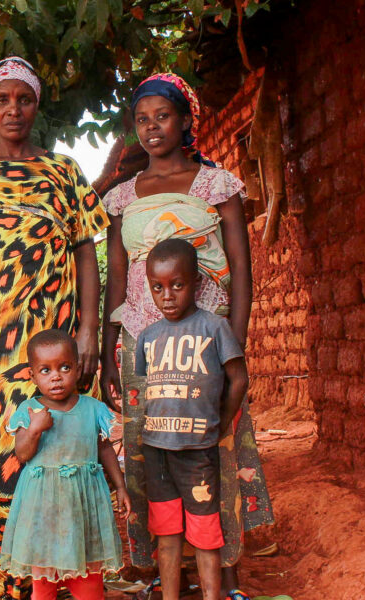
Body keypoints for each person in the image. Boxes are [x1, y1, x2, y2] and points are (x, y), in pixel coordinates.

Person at [0, 56, 108, 600]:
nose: (13, 109)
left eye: (24, 99)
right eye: (2, 100)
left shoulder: (65, 172)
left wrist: (89, 333)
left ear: (36, 105)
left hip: (53, 351)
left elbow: (85, 255)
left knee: (60, 459)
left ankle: (62, 581)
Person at [99, 73, 273, 600]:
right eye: (142, 119)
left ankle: (230, 575)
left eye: (163, 116)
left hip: (205, 344)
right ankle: (160, 573)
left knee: (212, 451)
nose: (152, 128)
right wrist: (110, 352)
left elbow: (241, 270)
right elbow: (116, 277)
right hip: (139, 345)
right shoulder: (121, 198)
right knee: (151, 453)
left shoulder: (217, 185)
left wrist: (232, 346)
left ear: (185, 120)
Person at [134, 240, 248, 600]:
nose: (167, 296)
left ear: (196, 283)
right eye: (158, 287)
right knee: (166, 535)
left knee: (204, 533)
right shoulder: (147, 336)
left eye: (177, 285)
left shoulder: (214, 327)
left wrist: (219, 424)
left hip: (197, 451)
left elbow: (239, 379)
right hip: (157, 451)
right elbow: (145, 390)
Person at [0, 329, 130, 600]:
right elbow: (22, 454)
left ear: (78, 368)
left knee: (89, 582)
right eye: (45, 370)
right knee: (44, 584)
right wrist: (34, 430)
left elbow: (104, 448)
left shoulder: (93, 408)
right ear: (32, 376)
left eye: (65, 367)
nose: (56, 376)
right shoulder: (30, 410)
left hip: (83, 507)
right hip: (42, 510)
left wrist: (121, 486)